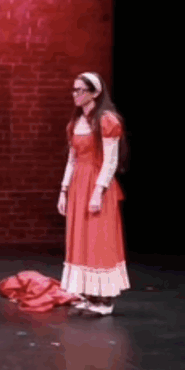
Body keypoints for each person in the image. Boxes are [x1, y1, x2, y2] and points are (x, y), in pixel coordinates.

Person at [57, 71, 129, 316]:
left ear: (95, 93)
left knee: (99, 237)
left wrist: (98, 191)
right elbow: (72, 160)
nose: (75, 94)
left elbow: (110, 161)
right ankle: (89, 294)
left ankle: (105, 300)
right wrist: (63, 190)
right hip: (79, 184)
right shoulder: (75, 123)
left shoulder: (107, 120)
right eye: (74, 89)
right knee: (81, 237)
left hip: (97, 184)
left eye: (81, 90)